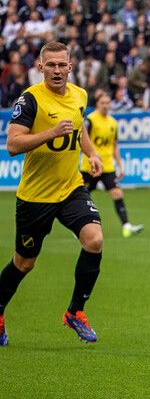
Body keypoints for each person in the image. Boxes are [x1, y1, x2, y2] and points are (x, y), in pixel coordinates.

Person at [0, 41, 105, 347]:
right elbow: (13, 145)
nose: (58, 70)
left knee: (94, 240)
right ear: (40, 67)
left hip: (70, 188)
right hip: (35, 198)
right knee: (24, 263)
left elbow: (78, 129)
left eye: (63, 65)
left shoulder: (79, 95)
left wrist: (92, 153)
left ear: (70, 67)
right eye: (52, 65)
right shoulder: (30, 100)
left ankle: (75, 312)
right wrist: (50, 133)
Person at [81, 93, 144, 238]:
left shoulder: (113, 122)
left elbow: (114, 145)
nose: (105, 105)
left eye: (108, 103)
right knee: (83, 196)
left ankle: (126, 226)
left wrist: (120, 166)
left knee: (117, 193)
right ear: (97, 104)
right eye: (103, 103)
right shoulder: (90, 120)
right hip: (90, 165)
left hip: (107, 166)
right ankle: (80, 227)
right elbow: (82, 140)